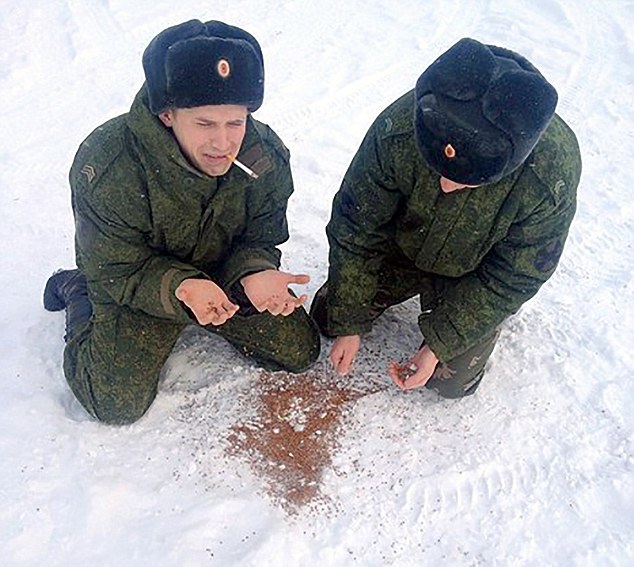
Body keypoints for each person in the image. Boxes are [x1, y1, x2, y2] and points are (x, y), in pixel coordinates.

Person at [43, 19, 320, 424]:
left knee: (299, 349)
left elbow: (260, 235)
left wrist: (254, 273)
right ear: (168, 115)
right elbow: (115, 268)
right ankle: (77, 293)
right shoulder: (109, 164)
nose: (223, 143)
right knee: (114, 402)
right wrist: (180, 288)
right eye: (205, 124)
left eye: (235, 123)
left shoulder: (264, 157)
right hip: (141, 284)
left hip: (221, 273)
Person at [310, 38, 581, 398]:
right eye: (435, 166)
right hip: (401, 251)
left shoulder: (550, 172)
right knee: (330, 317)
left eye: (466, 180)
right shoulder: (406, 125)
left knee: (450, 381)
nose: (445, 185)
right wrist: (349, 321)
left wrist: (438, 344)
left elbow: (516, 275)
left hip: (473, 275)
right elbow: (356, 225)